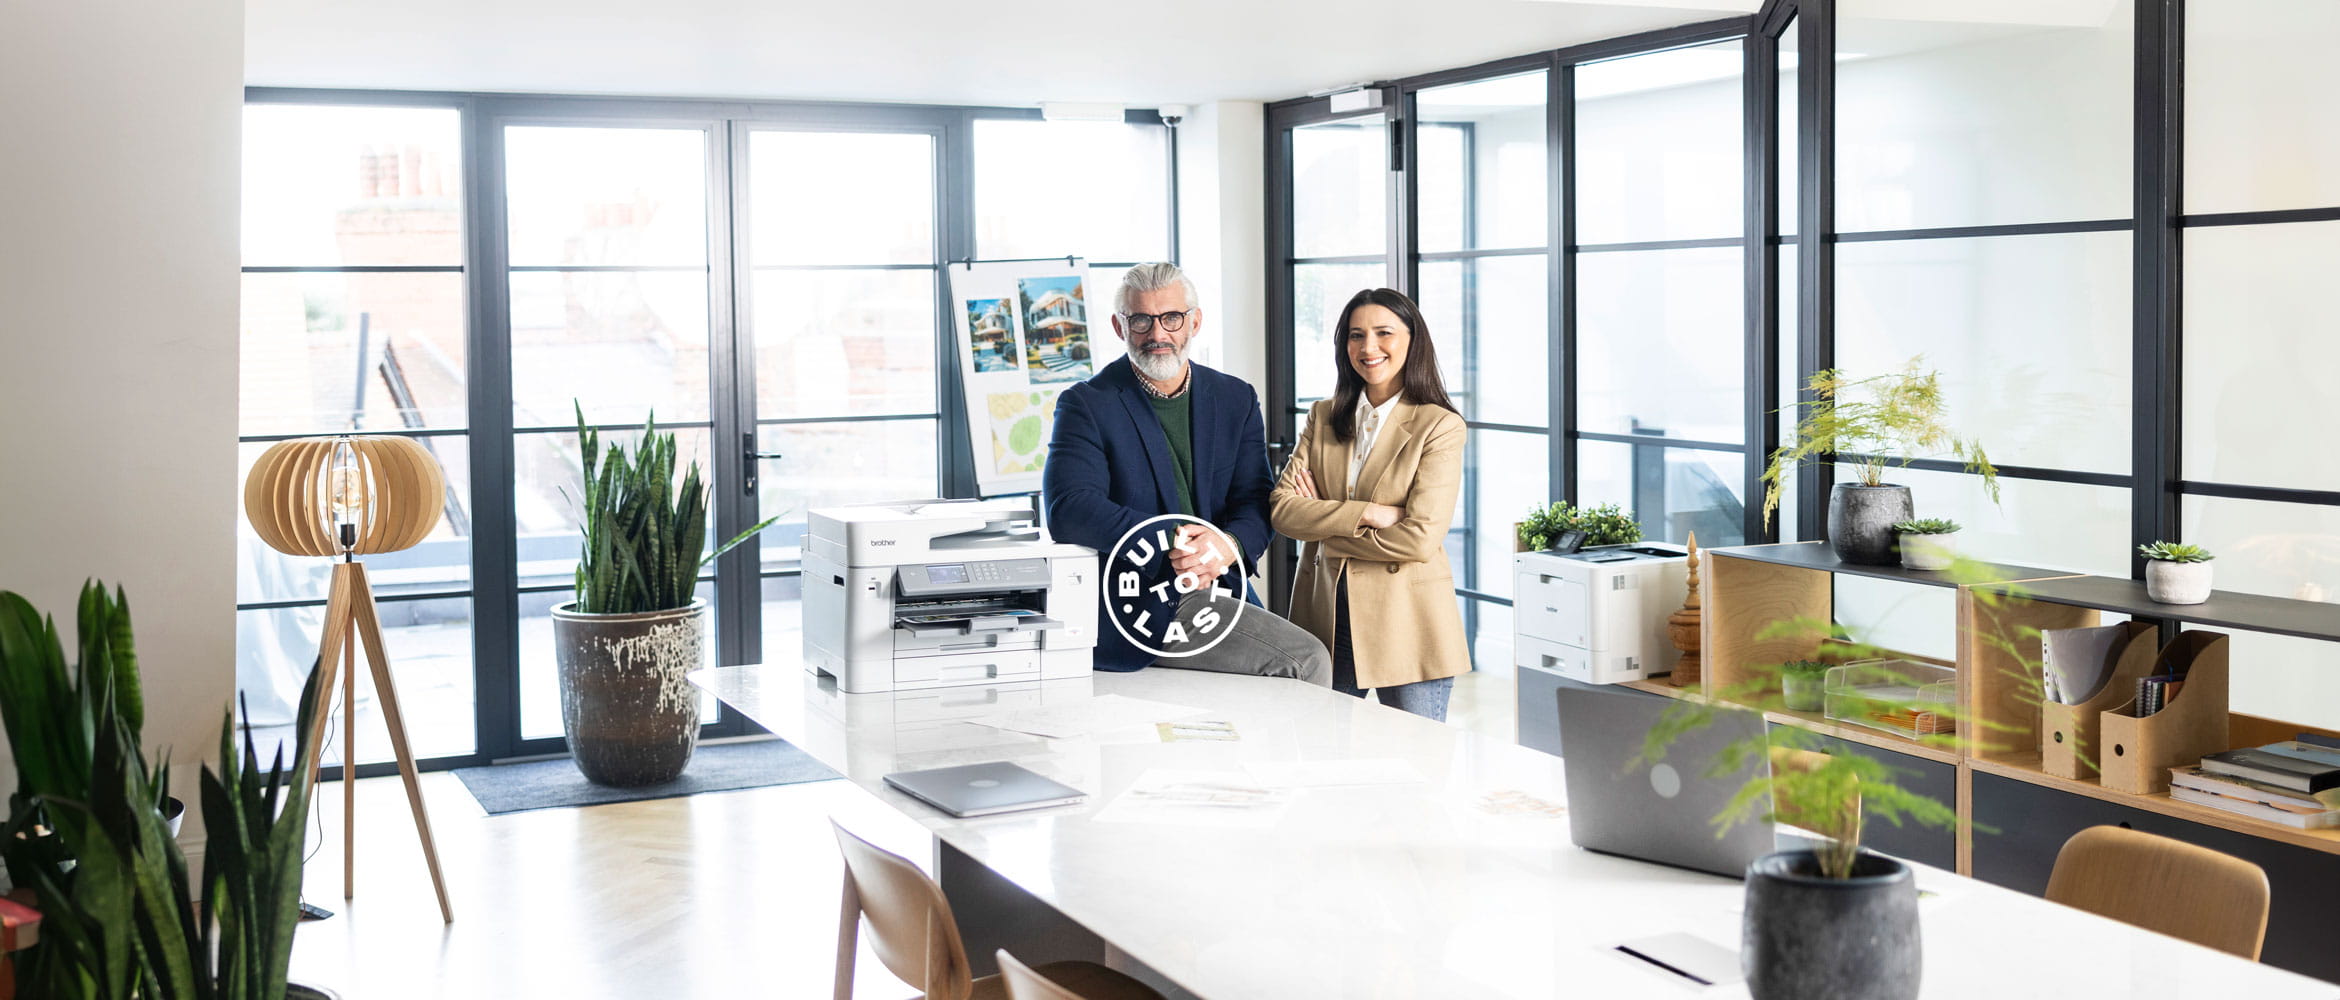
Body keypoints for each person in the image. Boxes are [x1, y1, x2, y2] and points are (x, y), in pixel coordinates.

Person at [1043, 262, 1333, 683]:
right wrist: (1180, 538)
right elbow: (1069, 510)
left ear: (1194, 322)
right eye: (1141, 319)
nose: (1158, 334)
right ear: (1118, 326)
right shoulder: (1086, 404)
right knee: (1307, 660)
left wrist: (1227, 544)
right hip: (1144, 598)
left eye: (1172, 318)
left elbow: (1254, 499)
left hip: (1223, 584)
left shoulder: (1235, 397)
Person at [1269, 288, 1469, 720]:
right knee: (1324, 758)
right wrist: (1369, 515)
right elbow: (1283, 511)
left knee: (1418, 766)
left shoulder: (1440, 426)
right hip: (1328, 618)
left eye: (1384, 333)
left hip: (1409, 623)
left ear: (1413, 340)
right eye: (1356, 335)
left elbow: (1418, 539)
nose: (1369, 347)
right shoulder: (1323, 416)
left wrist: (1328, 532)